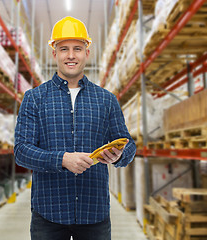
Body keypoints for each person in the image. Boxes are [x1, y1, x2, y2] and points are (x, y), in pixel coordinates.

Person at [14, 16, 136, 240]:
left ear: (87, 53)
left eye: (77, 48)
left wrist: (119, 155)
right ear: (54, 53)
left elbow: (128, 144)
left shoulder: (106, 100)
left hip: (94, 212)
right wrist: (62, 159)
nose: (71, 55)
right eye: (64, 49)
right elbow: (21, 151)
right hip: (49, 212)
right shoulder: (34, 99)